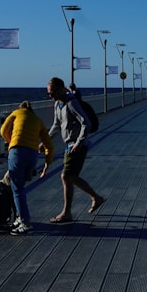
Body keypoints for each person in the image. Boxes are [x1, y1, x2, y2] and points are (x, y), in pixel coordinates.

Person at [46, 77, 105, 223]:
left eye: (52, 92)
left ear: (61, 89)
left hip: (77, 146)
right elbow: (56, 125)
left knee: (66, 176)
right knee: (71, 177)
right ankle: (96, 198)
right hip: (69, 145)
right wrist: (45, 140)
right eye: (48, 93)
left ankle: (67, 213)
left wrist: (79, 142)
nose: (50, 96)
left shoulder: (72, 103)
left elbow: (86, 123)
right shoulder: (57, 105)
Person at [0, 101, 55, 235]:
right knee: (20, 187)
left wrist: (10, 142)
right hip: (32, 155)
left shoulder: (16, 113)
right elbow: (49, 145)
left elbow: (3, 131)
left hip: (17, 153)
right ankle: (20, 217)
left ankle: (25, 222)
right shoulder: (38, 120)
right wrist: (47, 163)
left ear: (20, 108)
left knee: (17, 188)